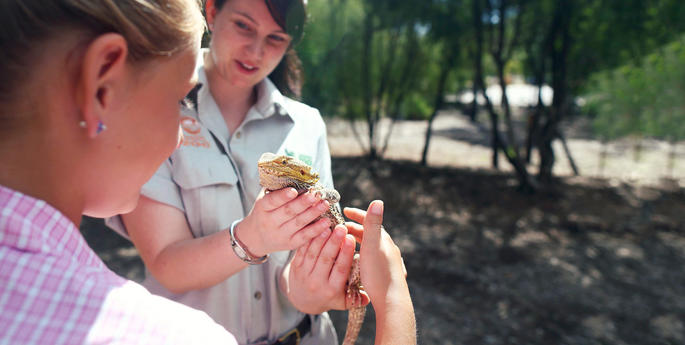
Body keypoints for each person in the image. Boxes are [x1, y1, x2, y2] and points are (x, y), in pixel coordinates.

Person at [0, 0, 416, 344]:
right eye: (243, 26)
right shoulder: (143, 98)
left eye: (275, 39)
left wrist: (314, 286)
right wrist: (254, 236)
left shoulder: (305, 124)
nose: (255, 51)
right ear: (211, 12)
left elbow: (298, 274)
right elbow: (164, 261)